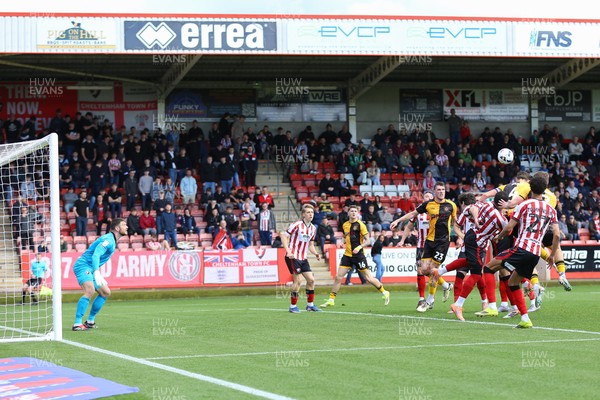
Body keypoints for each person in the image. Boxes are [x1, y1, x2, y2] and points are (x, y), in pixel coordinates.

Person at [483, 175, 560, 328]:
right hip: (535, 254)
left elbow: (509, 227)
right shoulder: (551, 210)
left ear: (530, 188)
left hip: (521, 248)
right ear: (544, 189)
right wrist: (551, 256)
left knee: (488, 268)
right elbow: (557, 235)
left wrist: (499, 237)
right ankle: (525, 319)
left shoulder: (524, 205)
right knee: (513, 282)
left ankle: (491, 306)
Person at [391, 182, 462, 312]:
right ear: (435, 192)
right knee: (424, 270)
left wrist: (460, 237)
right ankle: (446, 285)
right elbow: (412, 214)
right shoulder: (428, 205)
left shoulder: (451, 205)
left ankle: (429, 300)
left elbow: (455, 223)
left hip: (443, 242)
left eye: (443, 189)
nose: (441, 192)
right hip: (429, 242)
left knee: (434, 270)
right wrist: (398, 220)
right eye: (439, 190)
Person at [321, 205, 390, 308]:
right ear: (348, 213)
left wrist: (359, 247)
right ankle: (331, 300)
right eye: (351, 211)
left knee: (369, 278)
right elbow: (346, 236)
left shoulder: (361, 225)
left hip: (359, 256)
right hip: (347, 255)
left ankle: (384, 292)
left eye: (355, 211)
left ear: (358, 213)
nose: (353, 213)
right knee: (338, 277)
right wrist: (342, 241)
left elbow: (367, 241)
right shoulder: (345, 225)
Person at [72, 218, 128, 331]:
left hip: (90, 268)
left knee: (105, 292)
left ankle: (90, 321)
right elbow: (96, 255)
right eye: (124, 225)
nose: (126, 227)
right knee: (90, 291)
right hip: (83, 266)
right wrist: (97, 272)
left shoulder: (111, 240)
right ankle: (77, 323)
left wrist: (96, 271)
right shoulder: (108, 240)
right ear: (117, 228)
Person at [281, 204, 322, 313]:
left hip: (303, 258)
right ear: (303, 214)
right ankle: (293, 306)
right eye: (308, 212)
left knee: (311, 280)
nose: (310, 214)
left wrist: (315, 253)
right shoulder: (297, 224)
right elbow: (283, 236)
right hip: (292, 257)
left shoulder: (313, 228)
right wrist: (288, 251)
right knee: (298, 281)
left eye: (312, 212)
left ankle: (310, 305)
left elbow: (311, 244)